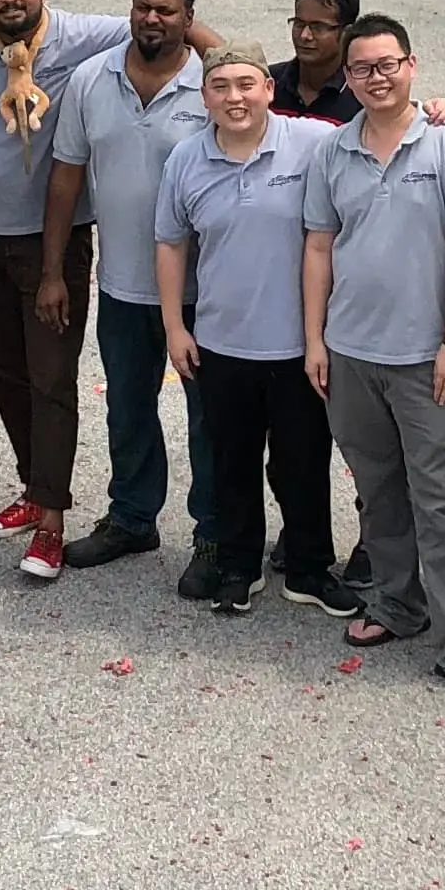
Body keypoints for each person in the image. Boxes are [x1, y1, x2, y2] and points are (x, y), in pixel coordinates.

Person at [308, 12, 445, 692]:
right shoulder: (333, 151)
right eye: (362, 68)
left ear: (411, 66)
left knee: (439, 498)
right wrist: (315, 340)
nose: (376, 78)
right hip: (350, 351)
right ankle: (397, 602)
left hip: (427, 358)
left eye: (387, 64)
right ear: (348, 77)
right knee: (379, 489)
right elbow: (319, 247)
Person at [0, 0, 135, 581]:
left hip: (58, 243)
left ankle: (52, 521)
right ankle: (32, 487)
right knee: (6, 374)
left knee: (51, 381)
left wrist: (235, 72)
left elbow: (175, 26)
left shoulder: (85, 35)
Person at [39, 0, 216, 573]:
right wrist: (52, 271)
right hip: (122, 287)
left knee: (209, 419)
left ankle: (213, 533)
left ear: (189, 19)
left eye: (166, 10)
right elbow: (65, 179)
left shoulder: (213, 85)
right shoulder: (91, 78)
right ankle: (133, 518)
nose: (151, 18)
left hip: (204, 293)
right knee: (128, 408)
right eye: (143, 6)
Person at [156, 45, 339, 616]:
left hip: (297, 344)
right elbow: (170, 243)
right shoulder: (186, 158)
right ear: (204, 96)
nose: (234, 98)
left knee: (304, 461)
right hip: (221, 342)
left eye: (246, 85)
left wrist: (437, 111)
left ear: (268, 89)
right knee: (231, 462)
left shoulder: (313, 141)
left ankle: (309, 567)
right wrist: (174, 327)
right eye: (220, 86)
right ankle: (239, 566)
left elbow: (381, 133)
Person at [271, 0, 363, 124]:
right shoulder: (267, 83)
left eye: (318, 27)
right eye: (299, 24)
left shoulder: (362, 95)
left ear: (347, 33)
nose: (305, 35)